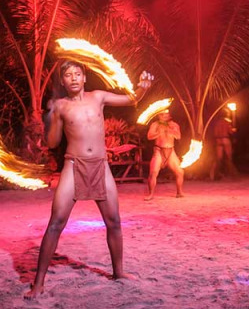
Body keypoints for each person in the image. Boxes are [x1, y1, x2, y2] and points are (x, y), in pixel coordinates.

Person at [24, 60, 153, 299]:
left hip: (100, 167)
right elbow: (53, 144)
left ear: (84, 78)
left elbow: (131, 99)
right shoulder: (61, 106)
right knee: (55, 224)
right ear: (63, 82)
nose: (73, 78)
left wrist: (143, 88)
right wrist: (51, 118)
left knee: (113, 221)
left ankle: (119, 272)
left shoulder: (99, 97)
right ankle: (38, 283)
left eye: (77, 74)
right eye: (68, 75)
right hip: (73, 166)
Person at [145, 110, 184, 200]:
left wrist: (170, 130)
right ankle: (151, 194)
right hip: (159, 151)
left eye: (166, 114)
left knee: (180, 171)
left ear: (169, 115)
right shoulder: (155, 125)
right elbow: (149, 136)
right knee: (153, 173)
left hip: (171, 152)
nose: (164, 116)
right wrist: (160, 131)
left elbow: (178, 136)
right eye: (162, 114)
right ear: (159, 115)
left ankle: (179, 192)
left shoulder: (174, 125)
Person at [209, 108, 239, 181]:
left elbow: (215, 133)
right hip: (225, 139)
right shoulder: (227, 122)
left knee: (219, 159)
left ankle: (214, 175)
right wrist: (233, 130)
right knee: (229, 158)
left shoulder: (217, 123)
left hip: (218, 140)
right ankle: (233, 175)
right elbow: (230, 132)